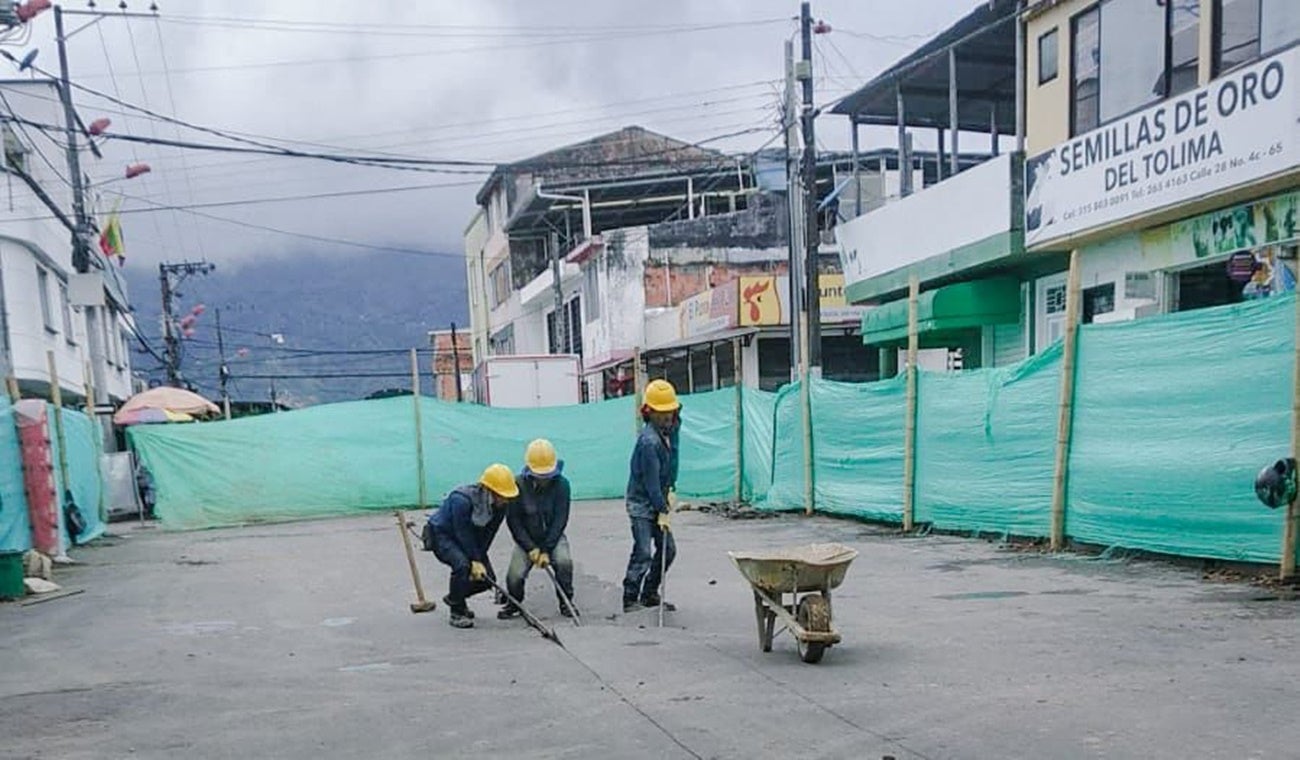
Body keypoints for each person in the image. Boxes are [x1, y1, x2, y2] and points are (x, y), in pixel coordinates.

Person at [427, 463, 519, 629]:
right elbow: (462, 531)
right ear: (489, 490)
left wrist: (480, 559)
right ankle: (457, 611)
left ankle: (455, 597)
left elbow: (489, 534)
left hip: (471, 540)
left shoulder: (500, 507)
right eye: (502, 495)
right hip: (443, 535)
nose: (505, 500)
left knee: (486, 579)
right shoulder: (461, 500)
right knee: (462, 566)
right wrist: (474, 560)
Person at [622, 378, 681, 613]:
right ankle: (630, 596)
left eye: (671, 412)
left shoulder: (668, 433)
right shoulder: (649, 442)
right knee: (644, 551)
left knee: (669, 550)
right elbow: (651, 483)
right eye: (663, 413)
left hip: (659, 499)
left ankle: (649, 592)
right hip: (642, 503)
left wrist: (677, 427)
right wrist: (662, 509)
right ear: (651, 413)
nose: (668, 417)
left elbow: (673, 462)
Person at [500, 438, 577, 620]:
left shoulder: (562, 485)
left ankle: (566, 601)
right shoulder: (517, 485)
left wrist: (546, 550)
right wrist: (530, 548)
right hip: (527, 539)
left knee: (564, 563)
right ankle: (514, 602)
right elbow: (514, 522)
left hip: (553, 537)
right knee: (515, 575)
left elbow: (560, 520)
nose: (543, 480)